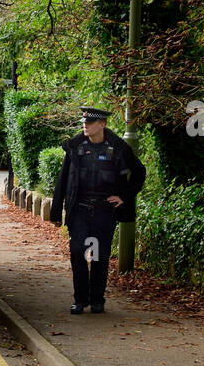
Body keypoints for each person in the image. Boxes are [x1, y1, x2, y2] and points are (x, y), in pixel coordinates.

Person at [49, 107, 146, 313]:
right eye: (84, 122)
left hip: (104, 211)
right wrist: (56, 212)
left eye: (90, 122)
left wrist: (124, 197)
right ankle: (80, 299)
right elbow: (63, 179)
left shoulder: (118, 147)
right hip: (80, 209)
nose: (85, 125)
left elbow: (138, 172)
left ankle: (97, 300)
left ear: (102, 125)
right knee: (78, 253)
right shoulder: (75, 147)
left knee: (100, 255)